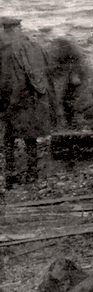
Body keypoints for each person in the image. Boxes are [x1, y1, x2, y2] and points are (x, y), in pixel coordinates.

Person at [0, 17, 56, 188]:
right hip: (34, 99)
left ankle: (11, 176)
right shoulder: (35, 46)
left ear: (8, 30)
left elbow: (5, 81)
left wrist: (5, 103)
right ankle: (32, 174)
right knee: (30, 138)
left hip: (14, 100)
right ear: (20, 28)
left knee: (8, 138)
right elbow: (47, 73)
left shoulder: (6, 51)